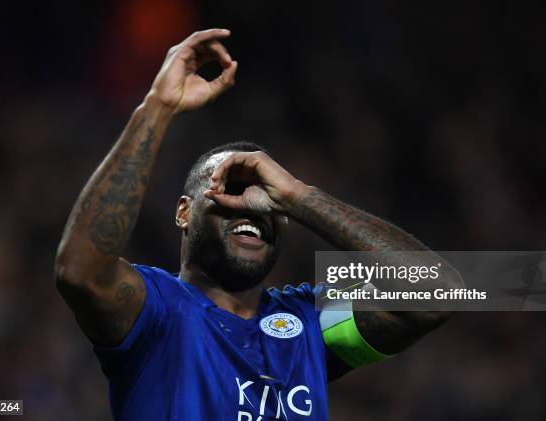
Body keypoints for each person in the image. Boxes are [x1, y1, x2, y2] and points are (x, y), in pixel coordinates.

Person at [55, 29, 463, 420]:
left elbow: (441, 295)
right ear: (183, 212)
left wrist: (299, 196)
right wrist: (157, 108)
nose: (251, 207)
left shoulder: (313, 322)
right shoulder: (157, 311)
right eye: (230, 189)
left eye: (268, 199)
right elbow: (79, 272)